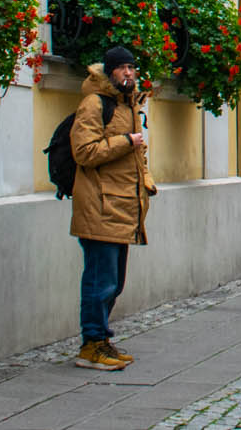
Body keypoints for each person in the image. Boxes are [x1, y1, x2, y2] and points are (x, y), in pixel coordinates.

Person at [69, 45, 152, 371]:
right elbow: (84, 152)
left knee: (114, 283)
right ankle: (90, 345)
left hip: (121, 207)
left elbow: (133, 155)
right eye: (122, 68)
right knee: (99, 282)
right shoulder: (94, 104)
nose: (128, 73)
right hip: (99, 206)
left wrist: (146, 181)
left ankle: (102, 339)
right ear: (110, 71)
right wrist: (126, 143)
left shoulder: (127, 105)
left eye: (132, 67)